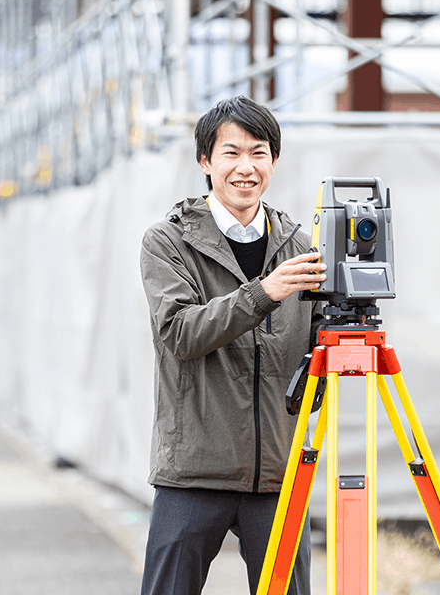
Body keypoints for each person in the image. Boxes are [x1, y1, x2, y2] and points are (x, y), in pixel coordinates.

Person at [139, 95, 325, 595]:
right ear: (205, 162)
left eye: (259, 153)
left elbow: (312, 356)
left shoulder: (301, 246)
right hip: (195, 469)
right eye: (231, 153)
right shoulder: (167, 241)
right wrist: (263, 293)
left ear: (274, 161)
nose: (246, 168)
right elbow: (180, 333)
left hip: (276, 474)